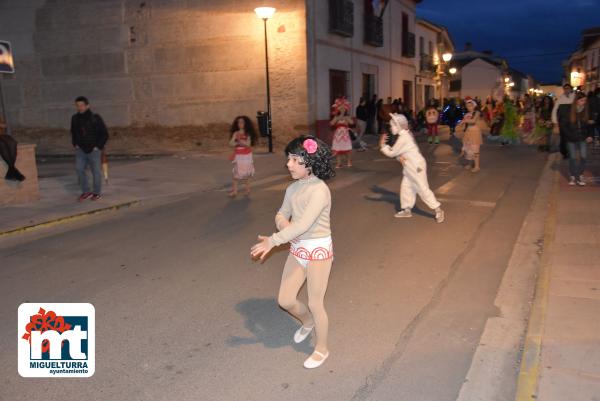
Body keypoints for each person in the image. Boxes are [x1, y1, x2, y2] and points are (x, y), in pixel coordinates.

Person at [250, 135, 335, 369]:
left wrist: (274, 241)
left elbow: (304, 224)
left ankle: (322, 348)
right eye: (289, 159)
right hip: (298, 248)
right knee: (285, 300)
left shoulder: (319, 190)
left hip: (318, 251)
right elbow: (281, 214)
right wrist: (284, 227)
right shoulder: (293, 188)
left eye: (295, 160)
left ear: (310, 162)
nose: (289, 164)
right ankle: (306, 323)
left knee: (316, 303)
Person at [379, 113, 445, 223]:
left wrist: (383, 145)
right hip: (410, 166)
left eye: (392, 125)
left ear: (399, 126)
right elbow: (400, 154)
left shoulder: (404, 138)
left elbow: (392, 153)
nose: (391, 128)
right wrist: (399, 157)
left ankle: (438, 210)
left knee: (422, 188)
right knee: (406, 187)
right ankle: (407, 209)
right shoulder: (404, 135)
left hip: (416, 167)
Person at [71, 96, 108, 201]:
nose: (80, 107)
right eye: (78, 105)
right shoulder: (74, 118)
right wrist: (75, 144)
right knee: (79, 169)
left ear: (87, 105)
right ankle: (86, 191)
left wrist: (98, 146)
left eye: (82, 105)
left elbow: (104, 134)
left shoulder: (95, 117)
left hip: (94, 150)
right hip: (80, 150)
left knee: (96, 171)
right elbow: (73, 133)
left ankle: (96, 193)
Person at [565, 92, 594, 186]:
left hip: (583, 137)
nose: (584, 102)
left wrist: (590, 135)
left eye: (585, 100)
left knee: (584, 157)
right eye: (582, 100)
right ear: (576, 101)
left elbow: (590, 125)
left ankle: (580, 175)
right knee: (573, 158)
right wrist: (568, 135)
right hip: (571, 138)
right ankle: (573, 176)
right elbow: (565, 125)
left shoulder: (586, 111)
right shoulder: (570, 110)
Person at [228, 115, 257, 197]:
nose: (240, 124)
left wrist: (239, 141)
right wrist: (237, 142)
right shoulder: (236, 133)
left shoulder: (248, 134)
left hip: (247, 156)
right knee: (236, 174)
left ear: (246, 123)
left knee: (247, 174)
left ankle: (247, 190)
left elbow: (248, 144)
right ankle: (235, 191)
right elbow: (230, 143)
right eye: (238, 122)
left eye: (242, 122)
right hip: (238, 156)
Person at [457, 97, 483, 172]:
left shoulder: (477, 113)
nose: (469, 107)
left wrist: (464, 121)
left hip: (475, 133)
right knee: (469, 149)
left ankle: (477, 166)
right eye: (467, 106)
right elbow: (462, 123)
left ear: (474, 105)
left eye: (470, 106)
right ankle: (470, 164)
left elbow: (473, 120)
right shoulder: (467, 114)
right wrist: (459, 125)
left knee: (475, 149)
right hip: (468, 133)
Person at [552, 83, 575, 159]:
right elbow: (555, 110)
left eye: (568, 88)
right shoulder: (560, 98)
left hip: (572, 121)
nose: (567, 90)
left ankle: (571, 151)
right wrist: (555, 122)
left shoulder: (574, 97)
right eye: (565, 88)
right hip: (563, 121)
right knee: (563, 138)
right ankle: (564, 152)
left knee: (571, 137)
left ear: (571, 89)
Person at [330, 96, 354, 168]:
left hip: (345, 135)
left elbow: (352, 123)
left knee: (347, 148)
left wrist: (346, 119)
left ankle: (349, 162)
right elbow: (331, 123)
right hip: (338, 135)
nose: (342, 109)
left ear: (346, 109)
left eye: (344, 108)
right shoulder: (336, 117)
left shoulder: (347, 117)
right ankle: (339, 163)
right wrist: (338, 118)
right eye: (341, 108)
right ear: (338, 109)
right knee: (338, 149)